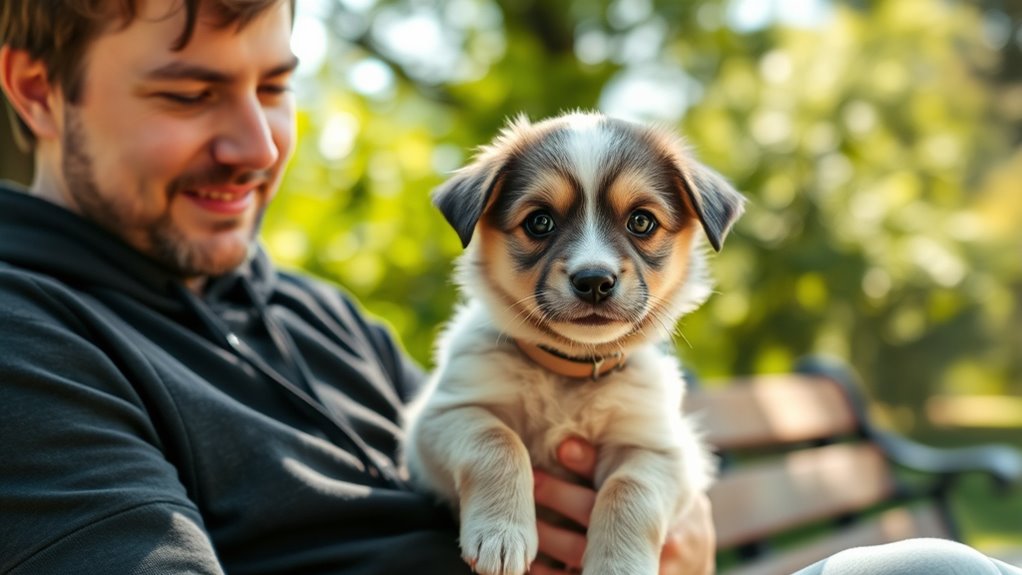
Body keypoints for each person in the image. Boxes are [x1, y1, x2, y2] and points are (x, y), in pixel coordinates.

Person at [0, 1, 715, 573]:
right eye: (189, 94)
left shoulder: (320, 314)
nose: (259, 146)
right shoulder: (27, 341)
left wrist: (672, 536)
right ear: (38, 92)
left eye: (275, 87)